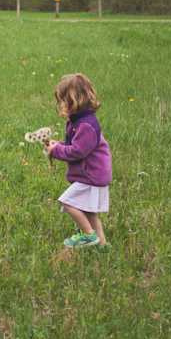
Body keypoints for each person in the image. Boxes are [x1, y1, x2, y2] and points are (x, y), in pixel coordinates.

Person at [44, 73, 111, 248]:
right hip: (91, 175)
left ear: (75, 101)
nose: (61, 106)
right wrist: (56, 145)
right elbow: (73, 145)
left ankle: (89, 236)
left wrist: (57, 150)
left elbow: (77, 151)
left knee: (67, 202)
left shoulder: (86, 125)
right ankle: (102, 246)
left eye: (63, 101)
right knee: (90, 214)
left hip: (91, 176)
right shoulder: (78, 122)